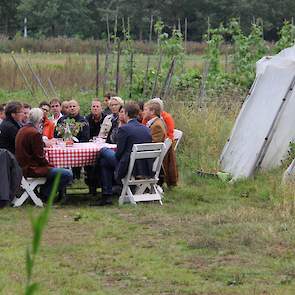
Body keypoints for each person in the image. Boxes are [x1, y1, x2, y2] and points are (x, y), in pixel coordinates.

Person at [93, 102, 152, 206]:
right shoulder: (146, 129)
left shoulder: (124, 129)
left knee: (103, 151)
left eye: (123, 112)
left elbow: (118, 154)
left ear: (127, 114)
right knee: (104, 161)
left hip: (129, 167)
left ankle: (103, 191)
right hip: (144, 167)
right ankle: (106, 195)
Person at [15, 108, 73, 201]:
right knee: (68, 174)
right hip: (31, 169)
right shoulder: (34, 133)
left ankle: (43, 192)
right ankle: (45, 194)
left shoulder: (22, 130)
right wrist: (51, 166)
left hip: (22, 167)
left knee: (59, 170)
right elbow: (40, 158)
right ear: (40, 119)